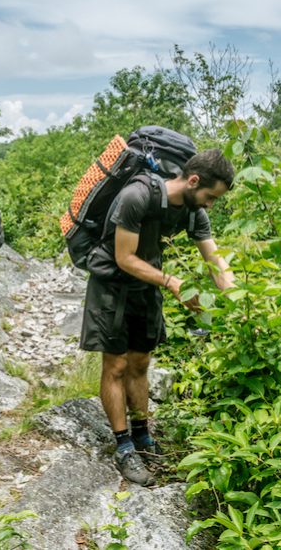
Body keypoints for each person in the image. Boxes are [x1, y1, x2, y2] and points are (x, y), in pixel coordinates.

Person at [80, 149, 235, 485]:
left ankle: (143, 437)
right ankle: (124, 448)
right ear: (193, 181)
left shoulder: (194, 213)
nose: (210, 205)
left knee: (140, 363)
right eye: (209, 197)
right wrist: (173, 283)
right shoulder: (137, 196)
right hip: (112, 285)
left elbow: (216, 262)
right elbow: (124, 258)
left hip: (147, 288)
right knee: (116, 366)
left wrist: (238, 302)